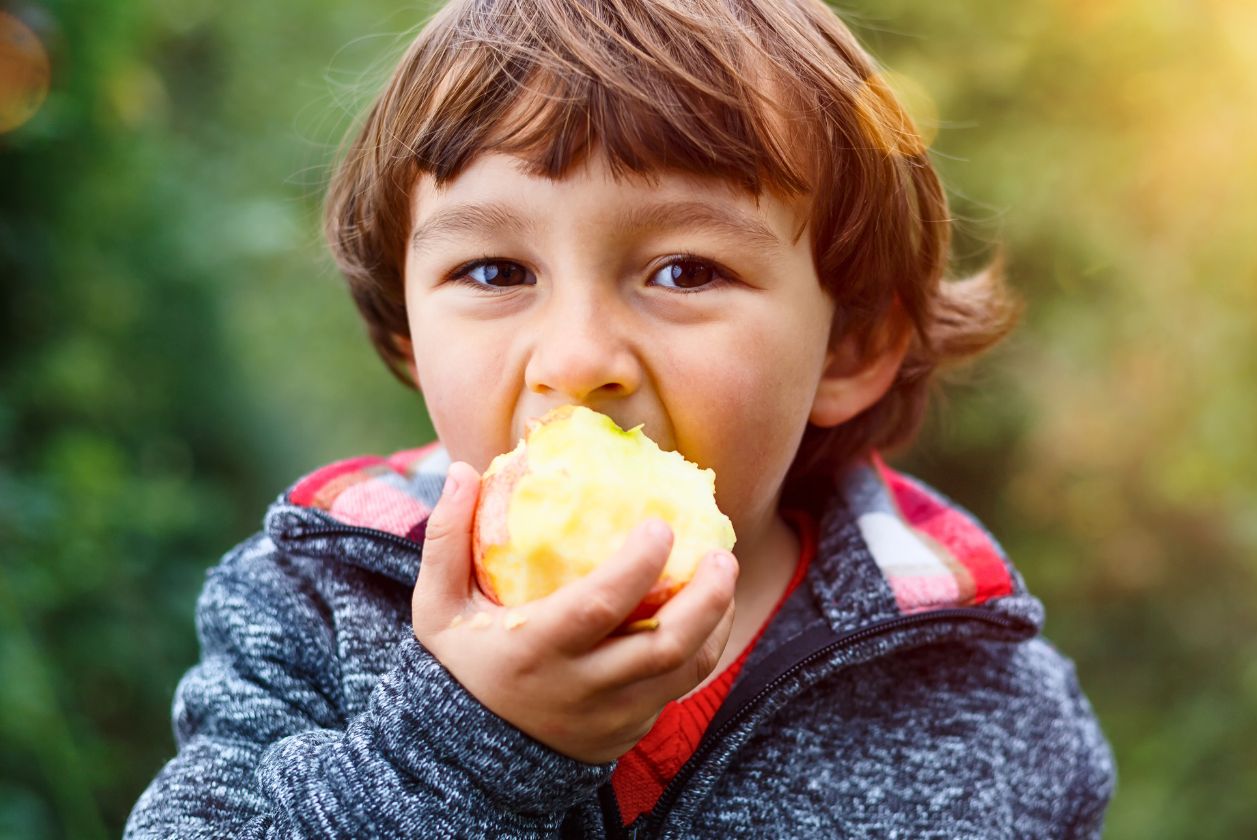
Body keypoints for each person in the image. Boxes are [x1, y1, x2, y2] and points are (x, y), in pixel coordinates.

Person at [127, 0, 1114, 836]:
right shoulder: (313, 605)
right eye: (496, 271)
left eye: (683, 271)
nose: (577, 361)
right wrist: (465, 746)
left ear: (847, 347)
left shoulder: (990, 710)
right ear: (410, 338)